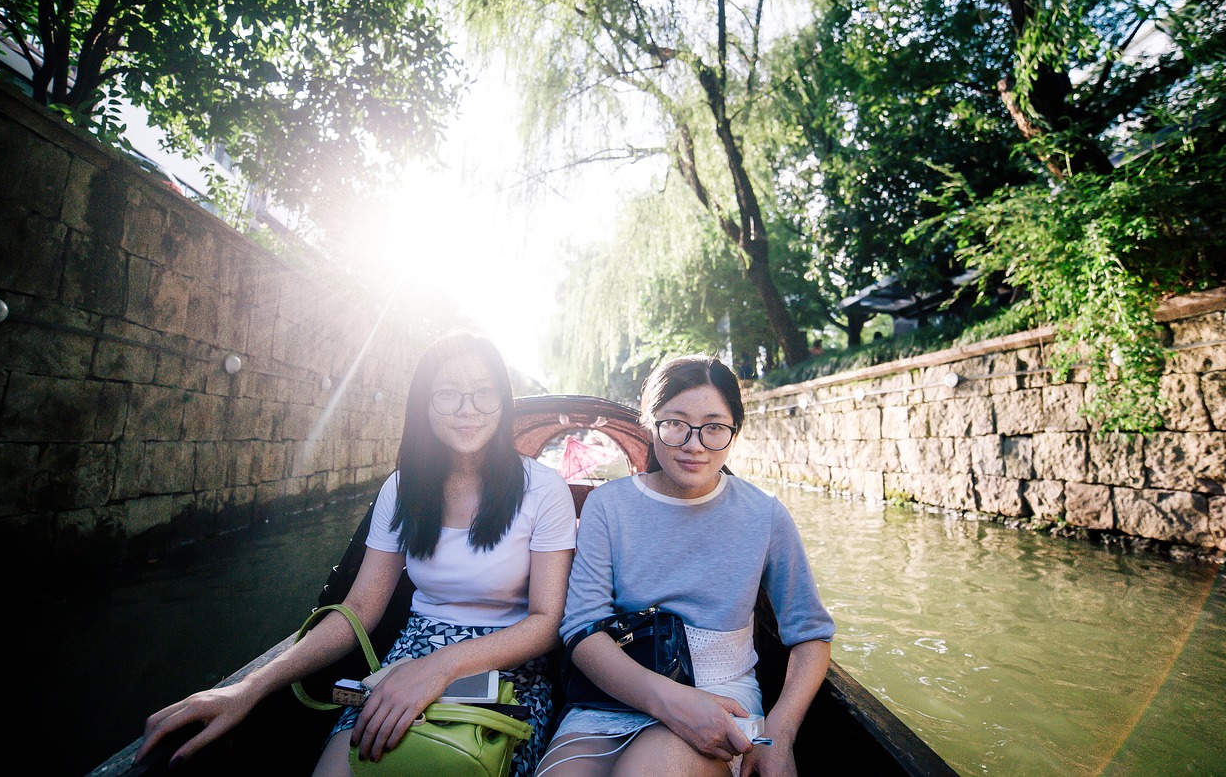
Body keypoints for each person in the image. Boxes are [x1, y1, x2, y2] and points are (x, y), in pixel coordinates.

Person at [137, 332, 576, 777]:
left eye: (485, 393)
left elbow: (545, 622)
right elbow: (361, 608)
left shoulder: (543, 489)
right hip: (412, 651)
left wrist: (440, 668)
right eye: (447, 395)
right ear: (423, 404)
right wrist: (250, 688)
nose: (468, 409)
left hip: (506, 662)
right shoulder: (402, 489)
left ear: (503, 402)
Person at [535, 355, 835, 777]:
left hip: (722, 696)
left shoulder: (764, 514)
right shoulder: (609, 504)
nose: (694, 445)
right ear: (650, 422)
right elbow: (582, 628)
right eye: (675, 423)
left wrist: (779, 733)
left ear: (734, 432)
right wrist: (671, 700)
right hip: (612, 695)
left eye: (714, 427)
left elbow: (811, 636)